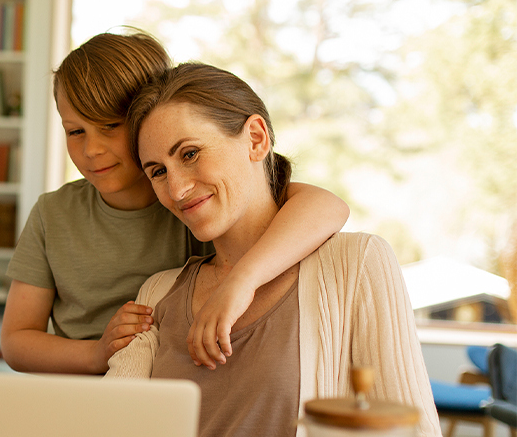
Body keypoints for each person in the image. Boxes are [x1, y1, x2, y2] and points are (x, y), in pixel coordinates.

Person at [107, 62, 440, 436]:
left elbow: (415, 430)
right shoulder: (158, 293)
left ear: (255, 139)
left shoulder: (356, 265)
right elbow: (113, 423)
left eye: (189, 154)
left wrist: (243, 279)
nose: (177, 188)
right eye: (158, 171)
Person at [0, 31, 350, 374]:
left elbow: (327, 206)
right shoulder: (53, 213)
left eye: (109, 125)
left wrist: (242, 280)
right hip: (83, 392)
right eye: (75, 131)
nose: (91, 150)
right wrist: (96, 353)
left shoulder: (195, 203)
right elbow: (16, 341)